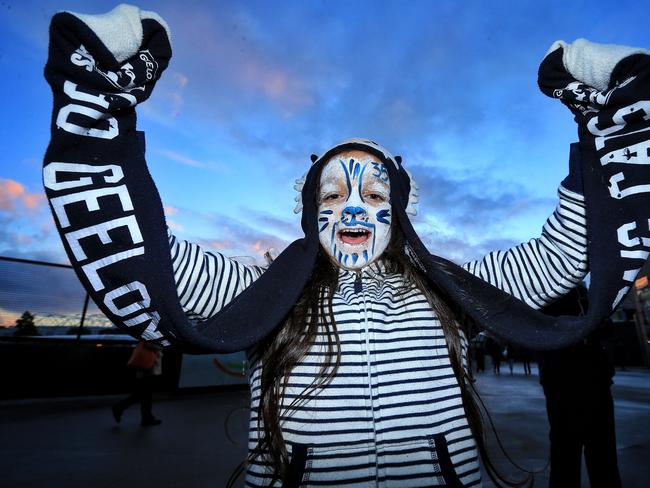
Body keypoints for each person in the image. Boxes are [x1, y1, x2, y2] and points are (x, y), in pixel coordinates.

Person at [41, 5, 650, 487]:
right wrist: (100, 107)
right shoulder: (259, 292)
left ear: (400, 214)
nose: (354, 209)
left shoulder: (448, 288)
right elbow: (148, 266)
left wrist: (608, 131)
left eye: (376, 197)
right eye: (331, 198)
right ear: (309, 214)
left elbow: (564, 257)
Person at [539, 288, 621, 488]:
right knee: (566, 455)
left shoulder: (587, 296)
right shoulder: (551, 295)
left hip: (594, 383)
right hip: (563, 386)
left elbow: (605, 330)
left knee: (601, 455)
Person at [112, 341, 163, 427]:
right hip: (148, 368)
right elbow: (149, 344)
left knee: (145, 394)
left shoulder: (149, 330)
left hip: (148, 367)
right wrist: (162, 345)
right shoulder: (151, 332)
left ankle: (146, 418)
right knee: (143, 393)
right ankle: (119, 407)